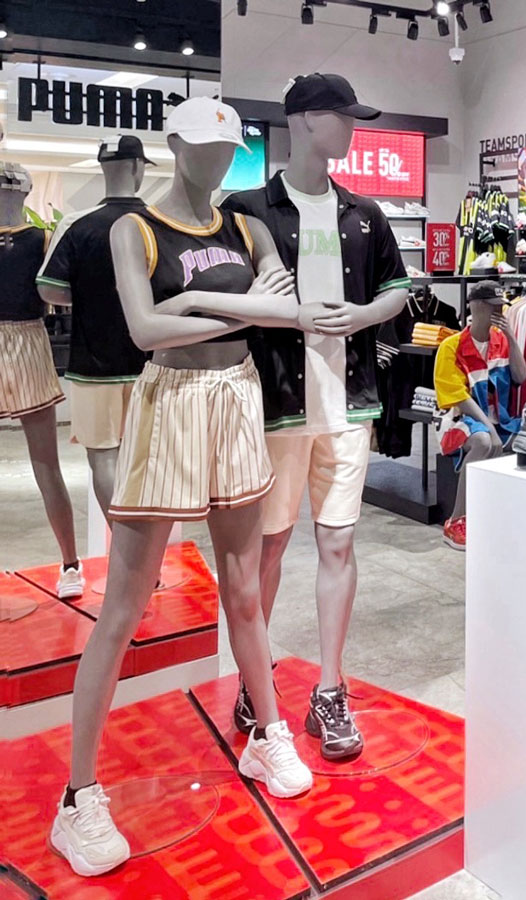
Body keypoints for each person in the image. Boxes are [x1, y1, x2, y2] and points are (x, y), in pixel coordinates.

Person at [51, 97, 320, 879]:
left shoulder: (246, 226)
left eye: (227, 147)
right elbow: (145, 331)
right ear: (173, 143)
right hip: (168, 400)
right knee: (124, 605)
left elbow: (288, 313)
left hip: (236, 396)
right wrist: (238, 310)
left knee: (244, 585)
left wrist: (196, 302)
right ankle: (77, 796)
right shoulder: (135, 228)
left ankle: (266, 734)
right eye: (203, 145)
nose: (216, 159)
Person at [221, 73, 411, 761]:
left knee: (338, 544)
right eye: (342, 116)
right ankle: (256, 677)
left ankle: (330, 688)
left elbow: (396, 291)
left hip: (347, 402)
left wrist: (363, 316)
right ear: (303, 119)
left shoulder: (365, 212)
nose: (352, 129)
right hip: (276, 404)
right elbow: (225, 301)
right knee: (268, 547)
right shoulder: (246, 209)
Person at [37, 136, 153, 517]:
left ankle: (123, 539)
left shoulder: (76, 224)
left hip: (94, 364)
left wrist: (89, 296)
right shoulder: (158, 222)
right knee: (149, 458)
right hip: (154, 363)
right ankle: (146, 541)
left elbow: (49, 289)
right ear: (137, 167)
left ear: (103, 168)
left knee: (104, 457)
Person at [0, 162, 81, 598]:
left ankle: (70, 562)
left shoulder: (44, 239)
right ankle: (70, 563)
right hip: (29, 340)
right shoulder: (44, 238)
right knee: (47, 465)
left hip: (30, 341)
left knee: (46, 464)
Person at [434, 280, 526, 550]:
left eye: (500, 307)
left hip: (500, 420)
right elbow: (458, 399)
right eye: (492, 306)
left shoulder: (501, 341)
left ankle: (506, 515)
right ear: (477, 307)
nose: (498, 312)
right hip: (457, 421)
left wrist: (511, 337)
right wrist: (489, 428)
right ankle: (456, 521)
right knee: (484, 441)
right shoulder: (451, 346)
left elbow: (521, 376)